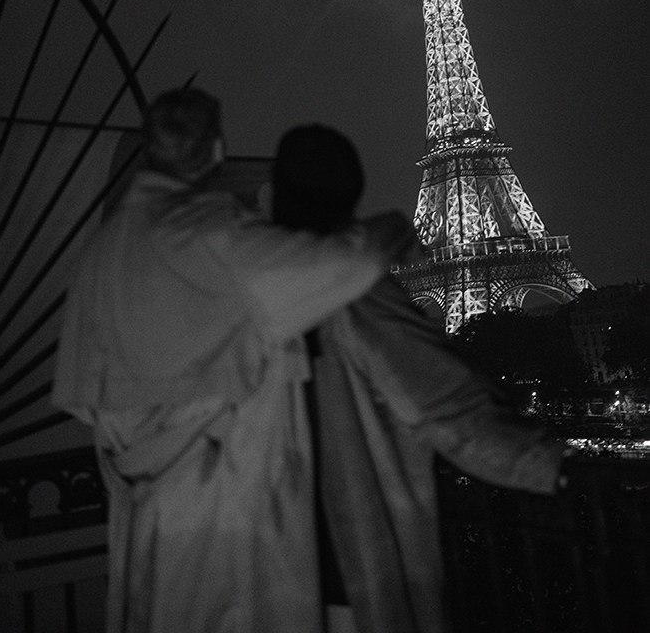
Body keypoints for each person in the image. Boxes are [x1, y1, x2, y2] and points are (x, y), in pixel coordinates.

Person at [52, 89, 411, 633]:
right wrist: (395, 229)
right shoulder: (212, 236)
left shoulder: (101, 253)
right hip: (221, 500)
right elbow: (347, 263)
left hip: (141, 507)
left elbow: (86, 397)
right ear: (217, 150)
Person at [271, 123, 569, 633]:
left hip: (264, 555)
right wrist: (550, 465)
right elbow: (449, 407)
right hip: (347, 561)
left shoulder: (245, 287)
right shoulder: (356, 295)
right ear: (350, 198)